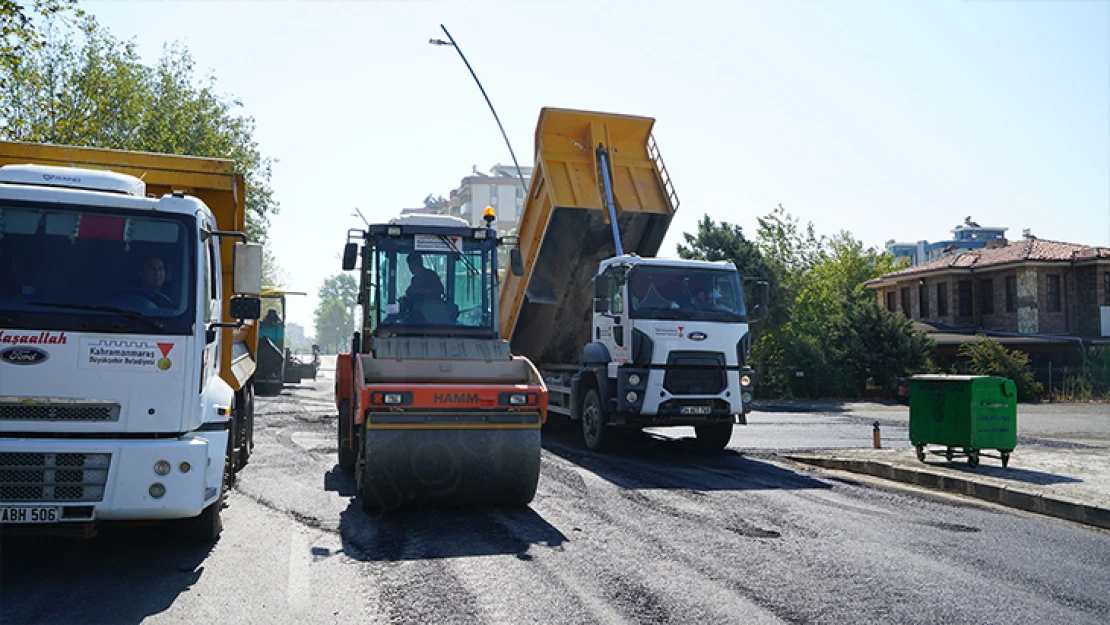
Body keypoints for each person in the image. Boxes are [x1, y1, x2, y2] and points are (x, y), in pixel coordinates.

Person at [400, 252, 444, 321]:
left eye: (412, 265)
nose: (410, 268)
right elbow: (410, 292)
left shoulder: (431, 275)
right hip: (416, 313)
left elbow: (440, 290)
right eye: (409, 266)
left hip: (431, 314)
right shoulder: (414, 279)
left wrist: (424, 291)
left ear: (419, 264)